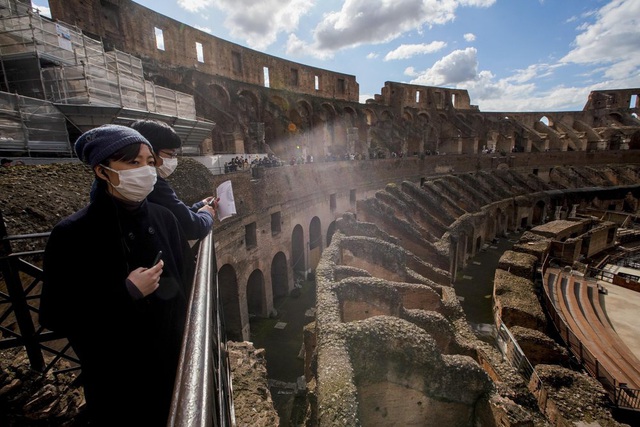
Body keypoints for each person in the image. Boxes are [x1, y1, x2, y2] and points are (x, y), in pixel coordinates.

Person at [39, 124, 195, 426]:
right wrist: (126, 293)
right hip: (117, 377)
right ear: (102, 170)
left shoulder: (164, 218)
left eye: (150, 162)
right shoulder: (72, 234)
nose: (146, 170)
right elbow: (55, 316)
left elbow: (188, 282)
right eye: (133, 162)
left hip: (173, 363)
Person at [130, 120, 217, 240]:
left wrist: (200, 205)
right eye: (170, 154)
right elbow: (192, 227)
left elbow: (174, 212)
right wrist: (207, 213)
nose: (173, 159)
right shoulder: (150, 183)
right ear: (150, 151)